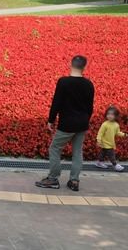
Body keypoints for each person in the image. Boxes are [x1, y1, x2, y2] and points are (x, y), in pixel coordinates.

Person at [36, 55, 94, 192]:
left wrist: (50, 120)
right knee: (77, 152)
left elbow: (57, 102)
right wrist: (85, 120)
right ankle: (74, 181)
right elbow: (90, 107)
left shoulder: (63, 82)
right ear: (85, 67)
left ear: (70, 64)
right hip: (82, 123)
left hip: (67, 123)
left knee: (55, 148)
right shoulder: (89, 84)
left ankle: (53, 178)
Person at [95, 105, 125, 171]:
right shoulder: (105, 124)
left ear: (116, 116)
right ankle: (115, 165)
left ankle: (99, 162)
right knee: (111, 154)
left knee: (103, 153)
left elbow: (118, 133)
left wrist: (124, 135)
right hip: (105, 142)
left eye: (112, 114)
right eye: (108, 114)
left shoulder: (116, 125)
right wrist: (98, 140)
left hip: (110, 142)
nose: (110, 116)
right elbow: (100, 133)